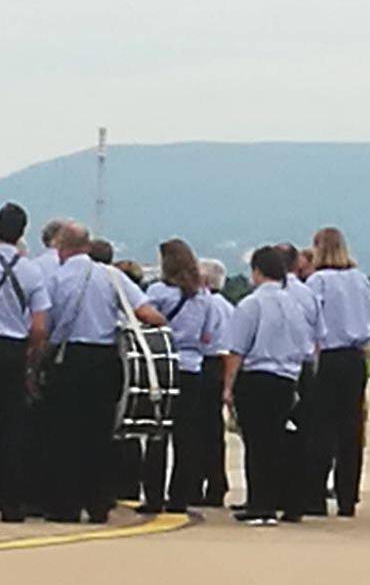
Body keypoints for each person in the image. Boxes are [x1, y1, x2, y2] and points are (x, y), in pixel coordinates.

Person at [39, 223, 155, 524]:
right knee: (101, 434)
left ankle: (64, 505)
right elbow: (147, 313)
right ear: (87, 246)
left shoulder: (55, 277)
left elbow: (46, 326)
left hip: (69, 359)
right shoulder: (111, 275)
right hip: (105, 361)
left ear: (61, 248)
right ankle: (99, 503)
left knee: (65, 435)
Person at [222, 244, 312, 524]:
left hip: (257, 377)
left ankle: (260, 504)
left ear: (257, 272)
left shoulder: (251, 304)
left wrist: (227, 386)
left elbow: (236, 349)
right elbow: (306, 346)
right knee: (278, 441)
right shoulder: (295, 304)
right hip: (287, 378)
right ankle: (283, 499)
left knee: (257, 444)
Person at [302, 226, 370, 516]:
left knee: (321, 427)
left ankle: (315, 494)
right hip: (355, 357)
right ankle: (348, 495)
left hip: (329, 357)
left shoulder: (318, 282)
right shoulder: (360, 280)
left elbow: (309, 319)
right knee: (351, 428)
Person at [139, 237, 220, 511]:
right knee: (187, 436)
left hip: (164, 366)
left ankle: (153, 496)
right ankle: (180, 497)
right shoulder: (203, 297)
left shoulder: (158, 292)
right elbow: (208, 335)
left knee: (157, 432)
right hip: (192, 366)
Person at [0, 204, 50, 523]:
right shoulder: (31, 270)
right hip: (14, 350)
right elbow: (40, 326)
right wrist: (31, 356)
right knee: (11, 426)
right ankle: (11, 503)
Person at [198, 261, 234, 508]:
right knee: (213, 431)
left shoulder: (206, 304)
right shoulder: (229, 307)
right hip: (221, 365)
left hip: (207, 363)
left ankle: (201, 482)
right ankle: (215, 482)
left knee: (199, 429)